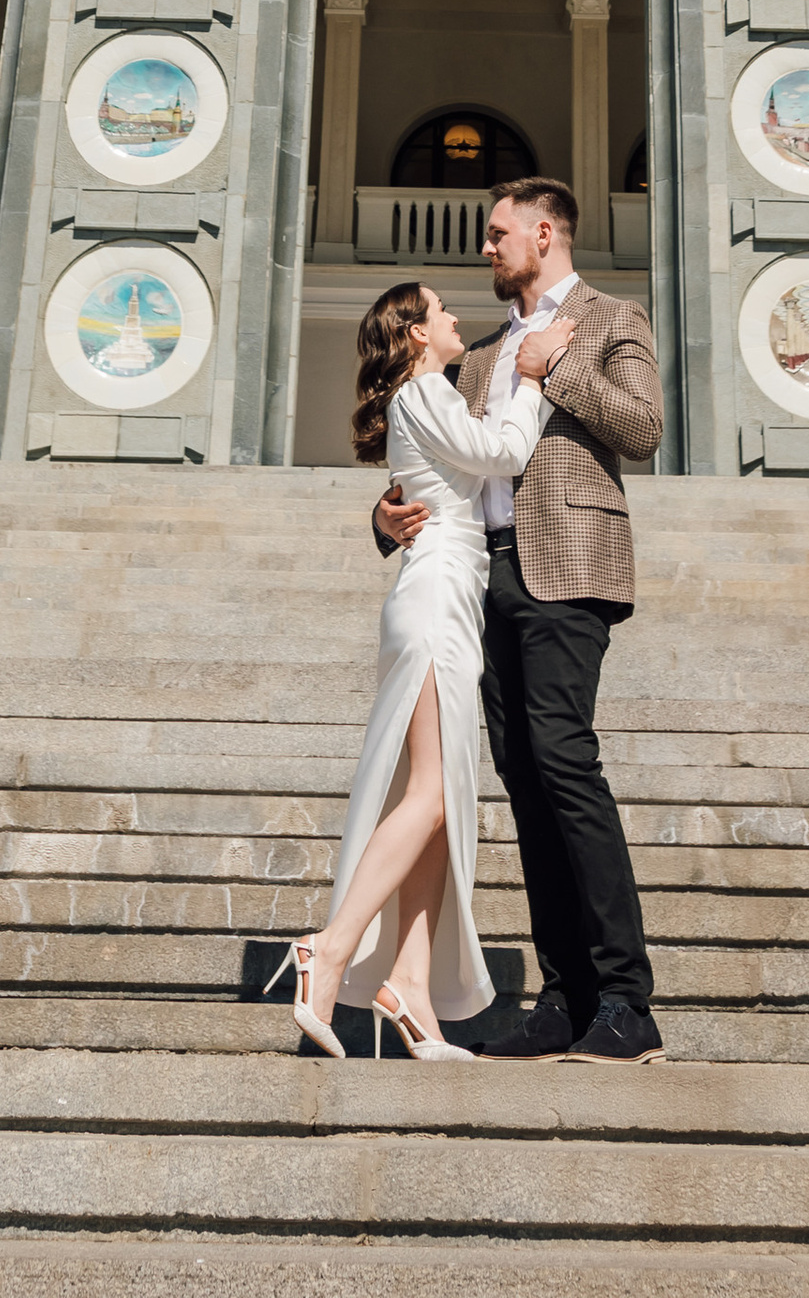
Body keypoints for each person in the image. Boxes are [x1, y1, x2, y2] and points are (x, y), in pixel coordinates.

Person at [372, 177, 667, 1064]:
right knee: (526, 781)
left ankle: (628, 1001)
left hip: (568, 566)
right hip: (479, 575)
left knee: (567, 762)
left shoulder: (614, 320)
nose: (487, 249)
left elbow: (644, 429)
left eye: (499, 234)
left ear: (546, 233)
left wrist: (559, 369)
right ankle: (564, 998)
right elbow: (441, 460)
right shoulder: (480, 355)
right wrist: (384, 520)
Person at [279, 278, 574, 1061]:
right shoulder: (426, 390)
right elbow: (505, 453)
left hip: (450, 591)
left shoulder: (424, 394)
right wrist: (536, 380)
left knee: (439, 797)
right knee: (431, 796)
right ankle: (331, 946)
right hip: (440, 590)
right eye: (440, 312)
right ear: (415, 334)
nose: (453, 318)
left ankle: (411, 990)